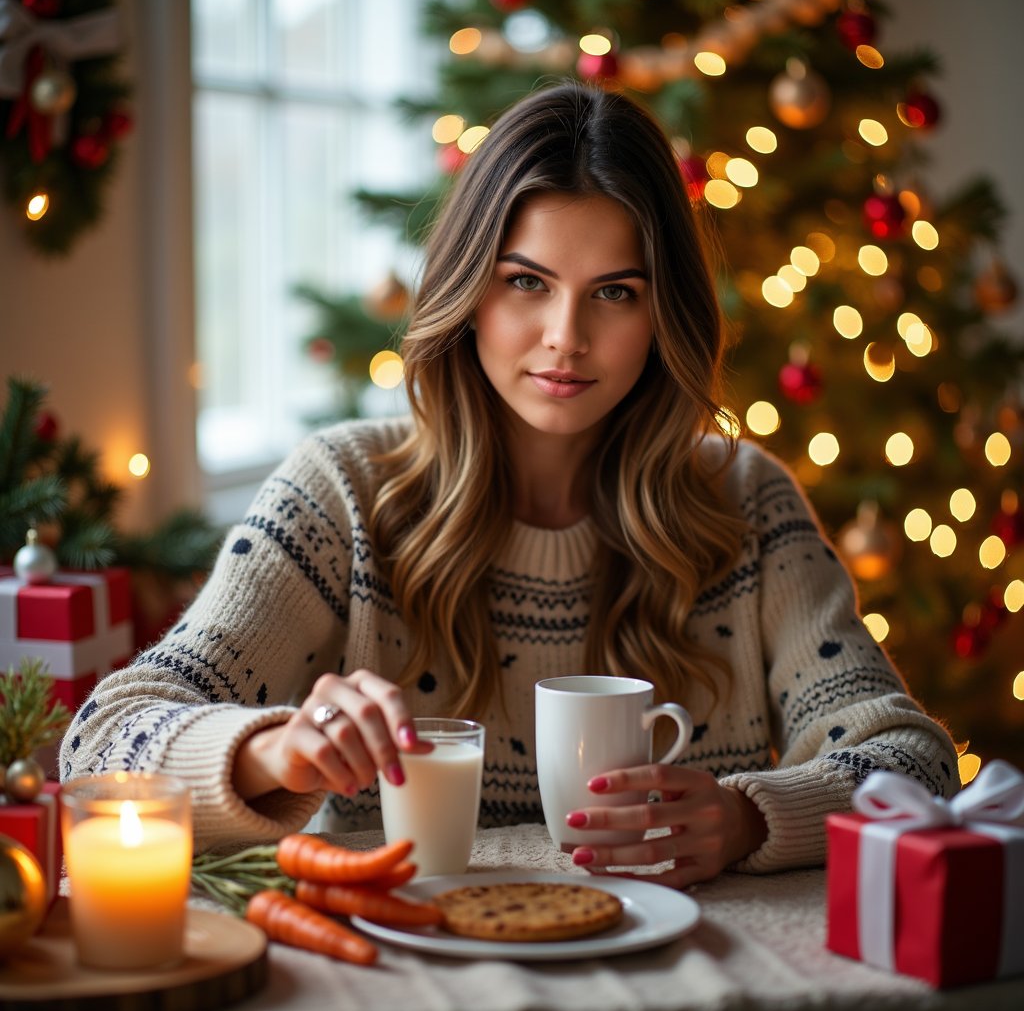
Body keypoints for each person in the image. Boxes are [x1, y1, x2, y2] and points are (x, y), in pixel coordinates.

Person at [60, 81, 957, 890]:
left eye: (614, 293)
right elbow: (99, 748)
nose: (565, 338)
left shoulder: (747, 504)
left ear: (662, 314)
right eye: (526, 281)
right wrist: (274, 750)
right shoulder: (340, 496)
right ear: (467, 291)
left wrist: (750, 817)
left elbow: (911, 759)